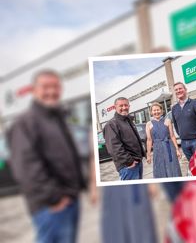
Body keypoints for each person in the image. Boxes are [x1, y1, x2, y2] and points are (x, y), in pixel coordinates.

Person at [7, 69, 86, 243]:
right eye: (45, 87)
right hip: (52, 207)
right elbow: (26, 168)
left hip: (69, 200)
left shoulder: (56, 118)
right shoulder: (25, 123)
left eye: (56, 86)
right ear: (34, 90)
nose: (52, 91)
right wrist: (55, 198)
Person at [103, 97, 145, 180]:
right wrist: (129, 162)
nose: (124, 108)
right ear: (115, 107)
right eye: (121, 106)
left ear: (129, 106)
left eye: (126, 105)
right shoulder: (111, 124)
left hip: (137, 163)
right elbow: (114, 148)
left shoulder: (128, 121)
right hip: (128, 167)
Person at [171, 82, 196, 163]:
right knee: (192, 165)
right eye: (176, 90)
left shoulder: (194, 103)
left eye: (180, 88)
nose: (178, 91)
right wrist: (182, 135)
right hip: (184, 143)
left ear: (185, 90)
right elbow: (176, 125)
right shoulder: (174, 108)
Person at [145, 103, 182, 178]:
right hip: (157, 148)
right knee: (159, 167)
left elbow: (172, 136)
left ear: (161, 111)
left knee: (172, 167)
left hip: (169, 147)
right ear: (151, 112)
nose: (156, 112)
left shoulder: (167, 121)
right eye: (154, 110)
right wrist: (148, 155)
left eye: (158, 110)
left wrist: (177, 150)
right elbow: (149, 140)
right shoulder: (148, 124)